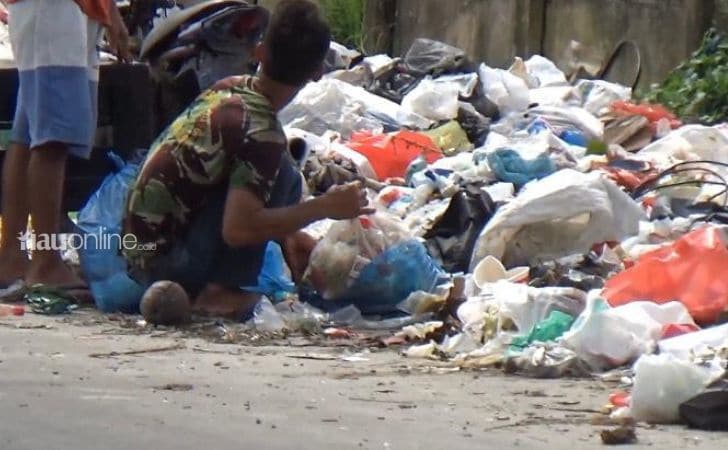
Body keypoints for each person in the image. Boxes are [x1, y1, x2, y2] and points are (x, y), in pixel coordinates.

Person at [123, 0, 372, 319]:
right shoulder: (262, 133)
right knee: (283, 175)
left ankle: (210, 285)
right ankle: (219, 295)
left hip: (135, 248)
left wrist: (289, 235)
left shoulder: (228, 89)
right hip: (165, 263)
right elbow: (237, 230)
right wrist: (323, 208)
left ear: (259, 52)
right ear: (317, 73)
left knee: (280, 170)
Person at [0, 0, 130, 297]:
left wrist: (110, 11)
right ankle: (45, 263)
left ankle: (12, 255)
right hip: (55, 8)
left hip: (71, 9)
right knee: (53, 135)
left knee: (32, 129)